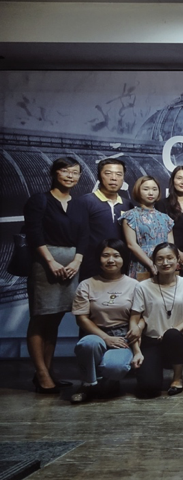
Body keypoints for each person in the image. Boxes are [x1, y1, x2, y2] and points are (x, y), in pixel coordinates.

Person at [24, 157, 87, 393]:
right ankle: (41, 373)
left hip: (72, 264)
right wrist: (50, 261)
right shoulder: (39, 200)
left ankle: (48, 370)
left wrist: (77, 261)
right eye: (65, 171)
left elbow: (84, 234)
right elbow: (34, 233)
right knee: (41, 317)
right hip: (45, 262)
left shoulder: (79, 204)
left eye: (75, 172)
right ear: (54, 173)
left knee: (56, 317)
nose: (70, 176)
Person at [71, 239, 142, 403]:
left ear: (124, 258)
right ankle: (87, 385)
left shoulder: (135, 285)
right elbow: (81, 319)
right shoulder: (86, 284)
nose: (111, 260)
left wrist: (137, 329)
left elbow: (140, 316)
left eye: (116, 255)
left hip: (123, 336)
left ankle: (109, 380)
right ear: (98, 258)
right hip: (96, 333)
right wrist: (106, 338)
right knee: (88, 345)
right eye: (105, 255)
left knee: (115, 367)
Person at [131, 243, 183, 397]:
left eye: (169, 258)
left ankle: (177, 378)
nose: (165, 263)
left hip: (176, 340)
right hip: (151, 340)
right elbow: (134, 319)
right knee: (148, 388)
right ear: (154, 261)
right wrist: (136, 351)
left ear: (177, 259)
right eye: (160, 259)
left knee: (172, 335)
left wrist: (175, 330)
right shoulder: (143, 287)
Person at [76, 158, 133, 279]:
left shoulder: (128, 205)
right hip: (91, 267)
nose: (114, 178)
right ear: (99, 176)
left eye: (119, 174)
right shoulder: (85, 201)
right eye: (108, 173)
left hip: (120, 268)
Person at [122, 176, 174, 280]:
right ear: (138, 191)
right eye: (146, 189)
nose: (151, 193)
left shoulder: (166, 218)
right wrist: (150, 264)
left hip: (164, 264)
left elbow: (171, 245)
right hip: (141, 263)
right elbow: (131, 244)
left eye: (154, 189)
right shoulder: (130, 216)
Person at [155, 165, 183, 276]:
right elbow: (161, 233)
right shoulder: (161, 204)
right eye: (179, 178)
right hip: (169, 257)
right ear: (172, 181)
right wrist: (177, 253)